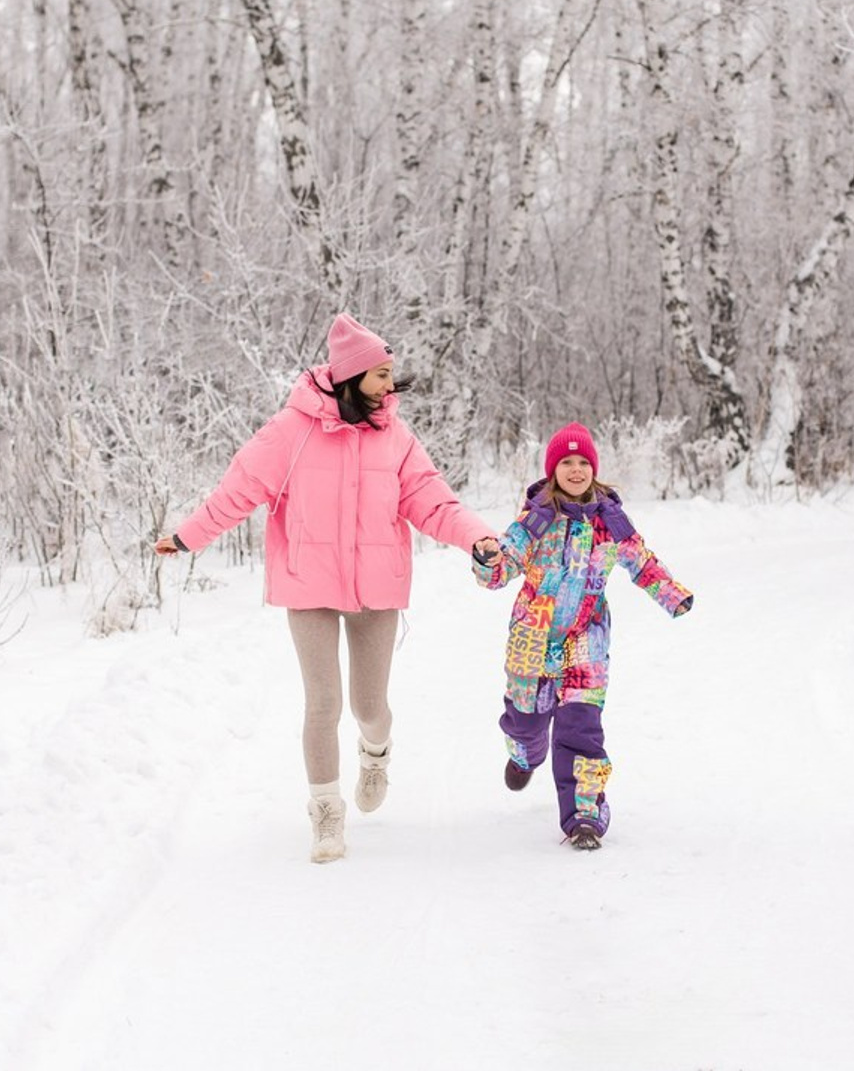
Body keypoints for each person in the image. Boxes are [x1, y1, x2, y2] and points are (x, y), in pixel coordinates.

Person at [156, 313, 499, 863]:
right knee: (323, 703)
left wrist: (477, 537)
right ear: (352, 376)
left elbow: (433, 501)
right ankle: (325, 815)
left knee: (368, 706)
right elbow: (239, 488)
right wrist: (187, 535)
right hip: (308, 585)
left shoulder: (396, 439)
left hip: (375, 590)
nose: (391, 384)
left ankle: (376, 752)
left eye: (391, 373)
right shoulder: (292, 431)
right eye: (381, 373)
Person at [473, 422, 694, 850]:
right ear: (553, 470)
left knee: (582, 729)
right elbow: (502, 568)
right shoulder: (535, 520)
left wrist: (672, 595)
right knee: (527, 721)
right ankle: (524, 753)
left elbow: (643, 564)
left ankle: (584, 816)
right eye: (566, 462)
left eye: (583, 462)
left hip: (585, 643)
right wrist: (487, 560)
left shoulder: (610, 521)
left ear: (593, 468)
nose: (575, 470)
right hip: (532, 642)